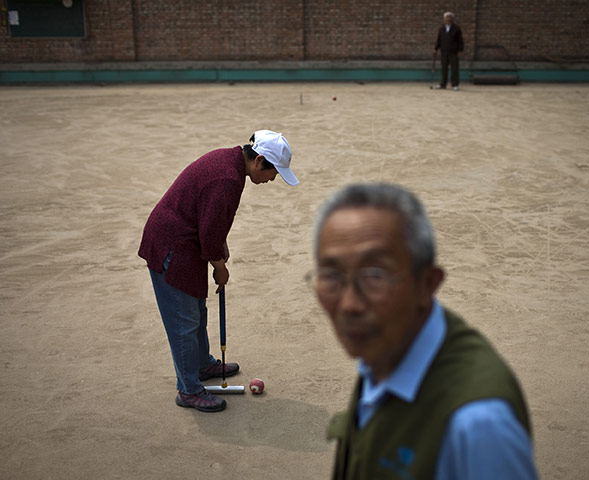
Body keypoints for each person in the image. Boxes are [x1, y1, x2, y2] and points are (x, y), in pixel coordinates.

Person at [307, 183, 537, 478]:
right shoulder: (385, 350)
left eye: (375, 275)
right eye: (331, 275)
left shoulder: (479, 427)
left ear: (427, 284)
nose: (349, 305)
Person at [139, 130, 298, 412]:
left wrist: (220, 246)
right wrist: (220, 267)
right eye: (274, 173)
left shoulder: (231, 162)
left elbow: (210, 219)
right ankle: (188, 390)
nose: (273, 179)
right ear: (260, 161)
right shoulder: (227, 179)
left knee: (196, 310)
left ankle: (200, 365)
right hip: (172, 247)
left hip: (184, 241)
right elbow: (210, 230)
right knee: (184, 321)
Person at [433, 12, 464, 91]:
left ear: (452, 19)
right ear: (444, 19)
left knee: (454, 69)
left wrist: (460, 50)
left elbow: (460, 40)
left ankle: (455, 84)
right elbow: (439, 40)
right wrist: (436, 48)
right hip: (444, 51)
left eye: (450, 18)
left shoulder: (457, 28)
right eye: (446, 18)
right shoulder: (441, 29)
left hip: (453, 51)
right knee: (444, 69)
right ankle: (443, 84)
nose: (448, 19)